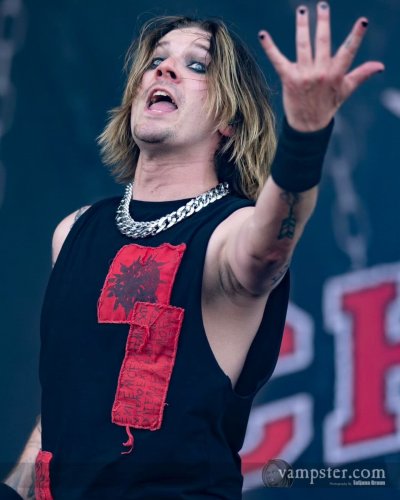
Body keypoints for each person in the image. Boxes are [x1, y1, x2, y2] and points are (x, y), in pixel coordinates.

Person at [1, 3, 383, 499]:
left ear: (229, 119)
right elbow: (63, 406)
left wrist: (306, 134)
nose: (164, 69)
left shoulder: (228, 233)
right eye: (156, 60)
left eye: (196, 65)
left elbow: (270, 245)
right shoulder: (73, 232)